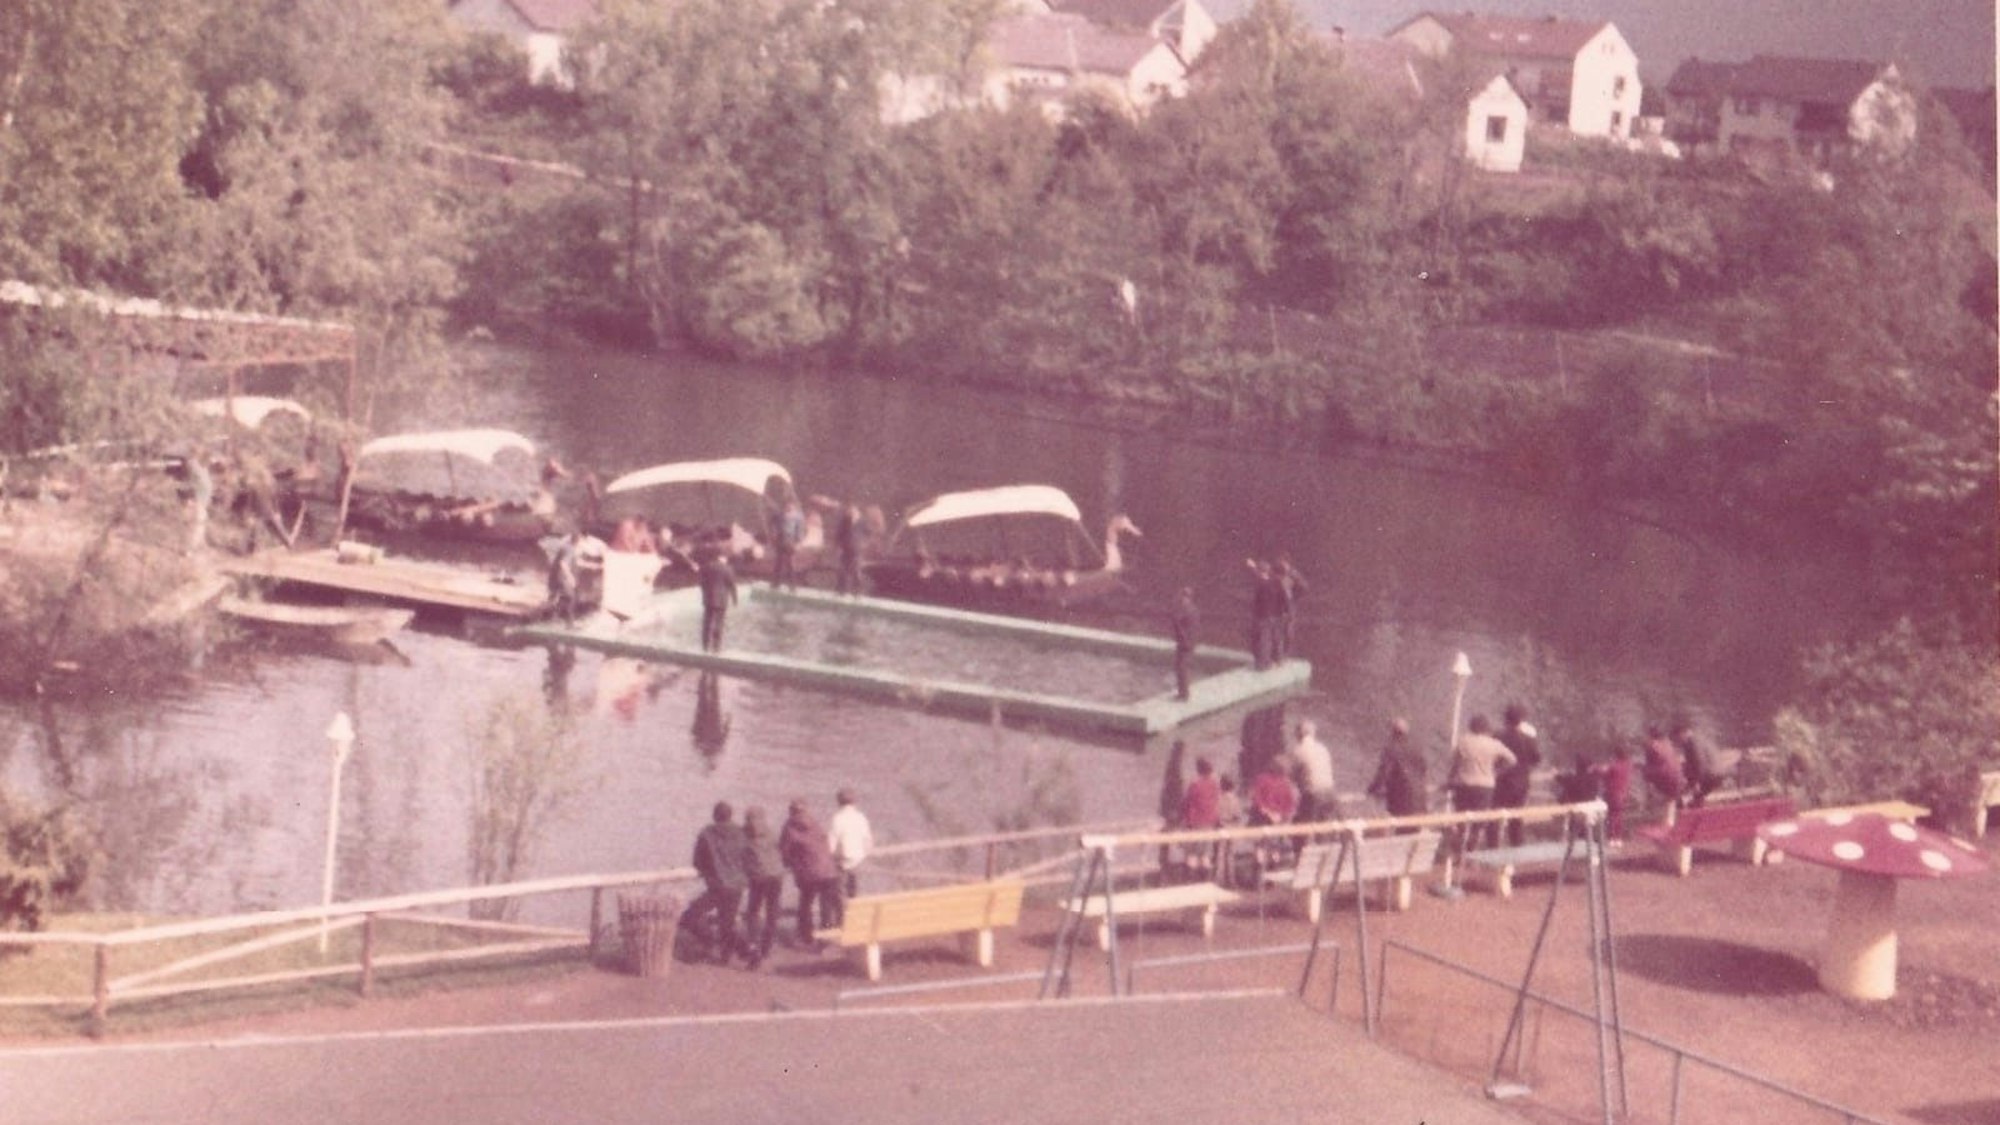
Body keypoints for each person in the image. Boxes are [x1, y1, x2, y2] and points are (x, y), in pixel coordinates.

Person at [683, 801, 751, 966]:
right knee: (726, 925)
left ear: (714, 816)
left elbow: (698, 862)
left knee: (690, 916)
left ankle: (710, 941)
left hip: (718, 885)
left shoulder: (706, 834)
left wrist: (710, 870)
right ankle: (746, 952)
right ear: (731, 815)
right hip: (737, 885)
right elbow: (747, 857)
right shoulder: (741, 833)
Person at [1449, 714, 1517, 852]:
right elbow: (1512, 760)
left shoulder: (1463, 742)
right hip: (1484, 786)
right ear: (1486, 728)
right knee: (1479, 821)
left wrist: (1450, 780)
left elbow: (1455, 764)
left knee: (1462, 818)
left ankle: (1462, 849)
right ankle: (1472, 849)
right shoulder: (1493, 743)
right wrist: (1497, 772)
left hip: (1463, 784)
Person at [780, 798, 842, 942]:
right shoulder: (815, 823)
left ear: (791, 811)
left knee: (805, 903)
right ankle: (826, 935)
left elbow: (784, 851)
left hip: (809, 873)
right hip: (829, 870)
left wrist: (789, 863)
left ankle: (806, 936)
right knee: (825, 904)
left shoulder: (789, 827)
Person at [738, 807, 783, 969]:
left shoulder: (743, 834)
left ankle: (754, 946)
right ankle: (767, 946)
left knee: (753, 912)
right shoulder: (770, 832)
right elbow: (780, 849)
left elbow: (738, 854)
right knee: (772, 912)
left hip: (758, 877)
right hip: (776, 875)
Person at [1494, 703, 1543, 847]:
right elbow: (1537, 758)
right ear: (1520, 720)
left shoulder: (1498, 736)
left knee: (1495, 817)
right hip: (1521, 782)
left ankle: (1493, 849)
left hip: (1501, 781)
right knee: (1516, 819)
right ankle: (1516, 849)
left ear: (1505, 719)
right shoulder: (1528, 739)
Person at [1366, 717, 1429, 826]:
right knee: (1414, 830)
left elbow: (1383, 773)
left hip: (1402, 799)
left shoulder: (1391, 748)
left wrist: (1372, 788)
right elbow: (1424, 769)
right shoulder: (1417, 747)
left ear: (1393, 732)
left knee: (1403, 829)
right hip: (1420, 797)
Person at [1247, 758, 1300, 869]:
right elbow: (1290, 805)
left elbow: (1256, 799)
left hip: (1261, 817)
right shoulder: (1286, 783)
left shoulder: (1261, 779)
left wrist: (1267, 812)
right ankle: (1273, 870)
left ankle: (1259, 872)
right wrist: (1282, 817)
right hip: (1278, 819)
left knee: (1260, 845)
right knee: (1275, 847)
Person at [1177, 756, 1222, 879]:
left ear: (1198, 770)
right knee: (1205, 855)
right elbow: (1216, 803)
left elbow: (1187, 803)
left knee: (1191, 854)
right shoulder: (1215, 785)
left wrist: (1181, 818)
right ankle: (1205, 881)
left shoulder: (1195, 785)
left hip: (1195, 823)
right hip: (1209, 823)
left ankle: (1190, 882)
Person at [826, 787, 873, 903]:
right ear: (854, 801)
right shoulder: (861, 817)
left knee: (839, 893)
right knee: (854, 891)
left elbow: (831, 844)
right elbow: (868, 840)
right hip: (858, 859)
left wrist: (831, 857)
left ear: (838, 802)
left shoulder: (837, 819)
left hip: (843, 860)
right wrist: (864, 853)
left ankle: (841, 916)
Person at [1289, 720, 1338, 824]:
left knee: (1300, 824)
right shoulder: (1323, 749)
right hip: (1329, 792)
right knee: (1324, 822)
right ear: (1313, 733)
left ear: (1298, 735)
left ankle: (1302, 839)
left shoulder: (1297, 751)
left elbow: (1291, 777)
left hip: (1311, 794)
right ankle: (1324, 839)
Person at [1673, 719, 1726, 808]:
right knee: (1692, 795)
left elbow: (1700, 764)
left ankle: (1697, 814)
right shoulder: (1697, 739)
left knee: (1695, 797)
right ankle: (1695, 808)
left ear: (1683, 733)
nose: (1678, 741)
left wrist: (1696, 783)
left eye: (1678, 738)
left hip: (1711, 775)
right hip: (1714, 773)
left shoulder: (1693, 742)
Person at [696, 549, 738, 652]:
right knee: (719, 624)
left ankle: (705, 646)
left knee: (707, 623)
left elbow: (702, 583)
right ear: (723, 558)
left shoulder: (707, 567)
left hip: (709, 599)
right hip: (721, 601)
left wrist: (705, 593)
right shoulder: (728, 569)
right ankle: (716, 647)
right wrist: (735, 599)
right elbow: (732, 585)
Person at [1591, 747, 1635, 842]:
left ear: (1616, 755)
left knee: (1612, 816)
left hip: (1613, 793)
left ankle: (1612, 837)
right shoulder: (1628, 766)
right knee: (1619, 816)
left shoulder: (1615, 766)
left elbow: (1603, 773)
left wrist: (1594, 768)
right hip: (1624, 794)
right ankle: (1618, 838)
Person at [1272, 555, 1308, 662]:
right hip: (1278, 606)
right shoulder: (1276, 572)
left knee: (1288, 631)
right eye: (1280, 562)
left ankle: (1286, 654)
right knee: (1277, 630)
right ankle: (1276, 655)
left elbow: (1304, 588)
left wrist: (1294, 595)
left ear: (1288, 563)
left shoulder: (1294, 574)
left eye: (1283, 562)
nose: (1282, 565)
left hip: (1290, 605)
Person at [1641, 726, 1686, 809]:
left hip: (1666, 779)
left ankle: (1648, 802)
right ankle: (1677, 803)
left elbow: (1648, 766)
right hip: (1679, 779)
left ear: (1650, 735)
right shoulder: (1669, 744)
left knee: (1642, 771)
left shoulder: (1651, 745)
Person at [546, 529, 583, 624]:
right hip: (563, 578)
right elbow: (564, 564)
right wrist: (571, 578)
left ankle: (554, 618)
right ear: (578, 540)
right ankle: (570, 623)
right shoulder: (570, 549)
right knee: (570, 598)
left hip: (555, 577)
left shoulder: (566, 547)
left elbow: (559, 561)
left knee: (562, 598)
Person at [1170, 587, 1199, 701]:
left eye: (1184, 596)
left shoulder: (1188, 610)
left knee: (1182, 668)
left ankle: (1184, 694)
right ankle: (1182, 692)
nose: (1182, 599)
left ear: (1188, 598)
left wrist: (1187, 641)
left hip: (1186, 642)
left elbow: (1185, 628)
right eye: (1182, 596)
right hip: (1185, 642)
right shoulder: (1191, 609)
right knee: (1180, 667)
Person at [770, 496, 805, 590]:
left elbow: (799, 530)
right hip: (781, 540)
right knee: (779, 563)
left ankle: (792, 585)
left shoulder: (798, 516)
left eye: (791, 505)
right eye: (787, 505)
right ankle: (775, 584)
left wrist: (799, 542)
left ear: (794, 506)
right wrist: (774, 536)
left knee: (791, 564)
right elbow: (773, 524)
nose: (789, 507)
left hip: (791, 541)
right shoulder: (779, 514)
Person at [834, 503, 866, 596]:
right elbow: (838, 535)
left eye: (853, 511)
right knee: (842, 569)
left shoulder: (862, 522)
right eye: (850, 511)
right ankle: (841, 590)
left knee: (856, 570)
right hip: (845, 548)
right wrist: (838, 546)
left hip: (857, 549)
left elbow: (868, 534)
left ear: (858, 512)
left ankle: (857, 590)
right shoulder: (845, 521)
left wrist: (864, 544)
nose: (852, 513)